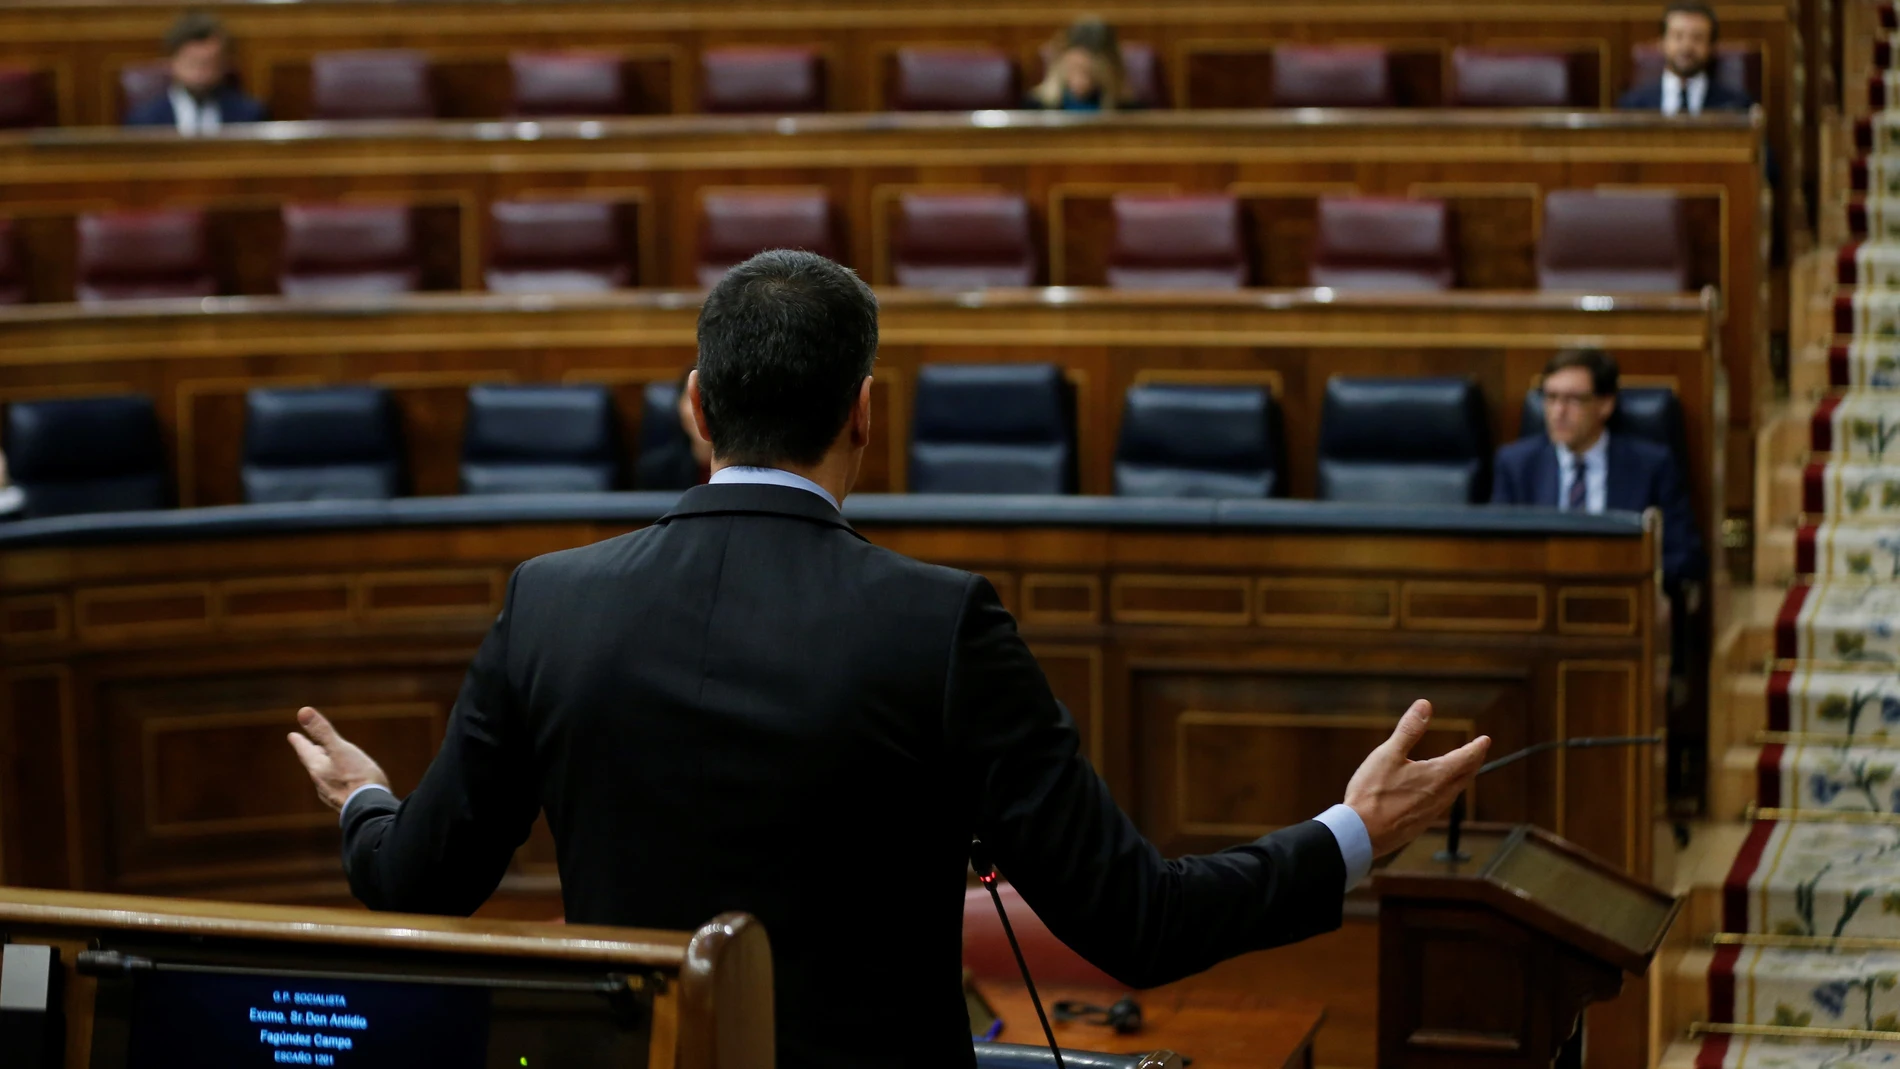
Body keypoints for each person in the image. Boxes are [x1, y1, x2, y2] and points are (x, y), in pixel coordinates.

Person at [287, 249, 1486, 1069]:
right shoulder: (941, 624)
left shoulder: (548, 605)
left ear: (695, 407)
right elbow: (1138, 922)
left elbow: (415, 885)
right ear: (866, 412)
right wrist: (1351, 833)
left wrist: (366, 802)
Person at [1491, 349, 1706, 592]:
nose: (1558, 412)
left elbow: (1684, 555)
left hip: (1621, 601)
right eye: (1551, 398)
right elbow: (1499, 553)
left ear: (1605, 404)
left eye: (1573, 400)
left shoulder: (1651, 466)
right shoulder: (1515, 465)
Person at [124, 12, 269, 134]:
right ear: (171, 62)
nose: (201, 73)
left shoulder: (249, 115)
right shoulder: (143, 121)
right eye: (192, 63)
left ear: (224, 64)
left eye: (210, 63)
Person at [1617, 2, 1753, 114]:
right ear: (1662, 42)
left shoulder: (1737, 106)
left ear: (1711, 46)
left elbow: (1761, 147)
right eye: (1678, 36)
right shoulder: (1632, 106)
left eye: (1697, 38)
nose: (1686, 46)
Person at [1026, 18, 1137, 112]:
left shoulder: (1128, 110)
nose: (1080, 80)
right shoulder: (1035, 107)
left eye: (1088, 72)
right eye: (1074, 68)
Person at [635, 367, 713, 490]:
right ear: (679, 406)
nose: (703, 409)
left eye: (711, 398)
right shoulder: (655, 471)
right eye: (695, 398)